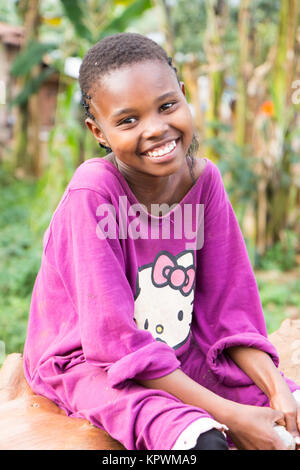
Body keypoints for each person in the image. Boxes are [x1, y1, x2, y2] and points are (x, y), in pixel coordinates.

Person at [23, 33, 300, 451]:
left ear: (184, 97)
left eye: (167, 106)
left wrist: (277, 390)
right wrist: (232, 416)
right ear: (98, 131)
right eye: (128, 120)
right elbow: (113, 343)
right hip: (92, 363)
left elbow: (230, 315)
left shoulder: (204, 182)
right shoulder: (94, 193)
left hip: (181, 349)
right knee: (203, 443)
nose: (155, 129)